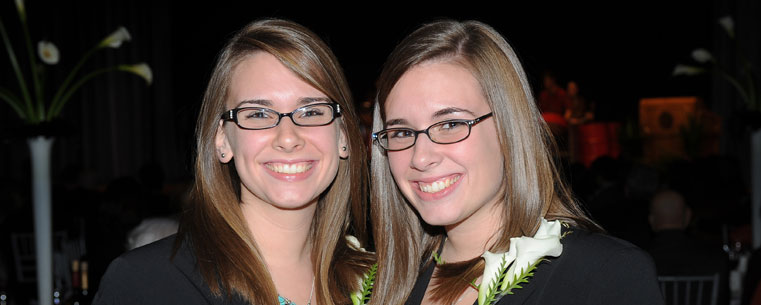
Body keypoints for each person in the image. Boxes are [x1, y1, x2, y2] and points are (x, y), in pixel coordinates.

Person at [369, 20, 663, 305]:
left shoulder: (604, 277)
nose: (420, 157)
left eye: (450, 124)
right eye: (402, 132)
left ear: (511, 129)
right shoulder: (380, 285)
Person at [93, 19, 373, 305]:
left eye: (312, 112)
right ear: (222, 140)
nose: (288, 138)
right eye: (258, 114)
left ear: (343, 135)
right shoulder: (147, 284)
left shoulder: (380, 282)